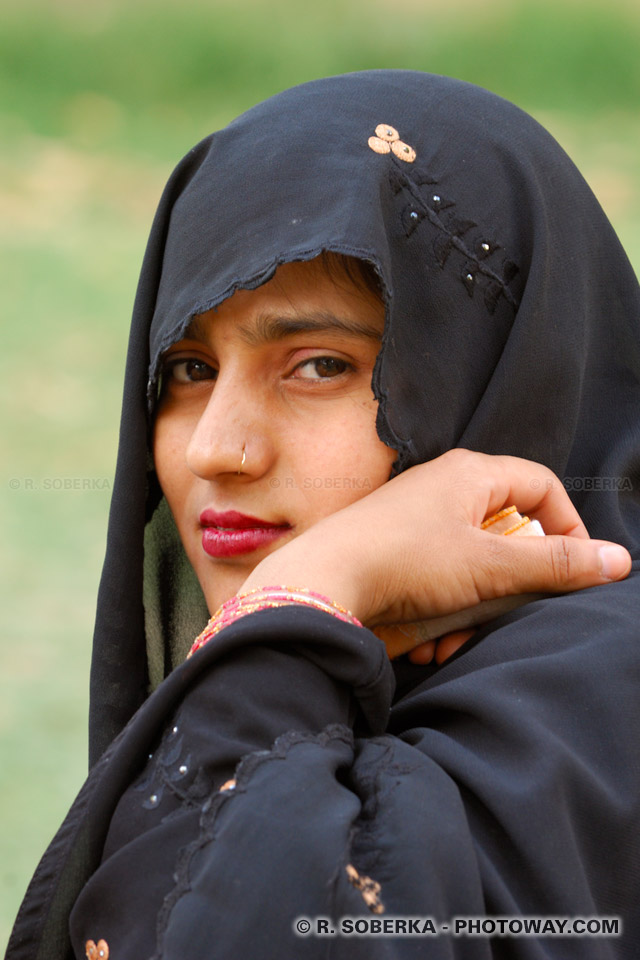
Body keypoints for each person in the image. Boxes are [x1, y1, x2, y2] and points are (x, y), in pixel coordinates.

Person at [7, 71, 640, 960]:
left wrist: (299, 602)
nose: (213, 450)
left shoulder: (604, 703)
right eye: (188, 368)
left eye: (319, 365)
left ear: (498, 378)